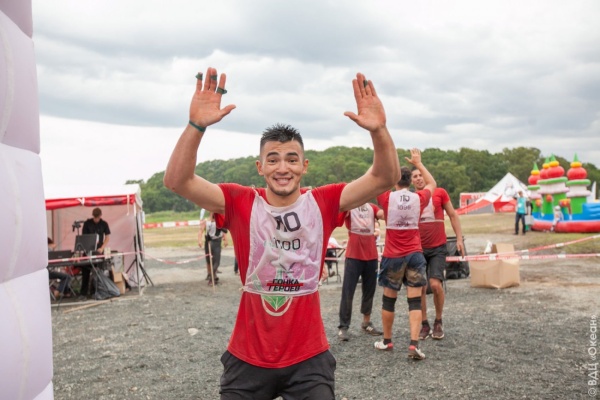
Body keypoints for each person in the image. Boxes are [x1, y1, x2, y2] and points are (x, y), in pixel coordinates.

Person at [163, 67, 399, 399]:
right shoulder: (242, 202)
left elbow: (385, 177)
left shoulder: (323, 202)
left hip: (308, 359)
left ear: (305, 165)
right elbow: (177, 181)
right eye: (272, 160)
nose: (283, 168)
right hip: (248, 357)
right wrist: (195, 126)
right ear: (260, 167)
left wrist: (379, 130)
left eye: (291, 159)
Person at [374, 149, 436, 360]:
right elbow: (432, 184)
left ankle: (387, 341)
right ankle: (413, 345)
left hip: (393, 255)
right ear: (410, 181)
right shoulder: (418, 198)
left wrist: (383, 159)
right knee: (415, 302)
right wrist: (419, 163)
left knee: (388, 300)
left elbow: (375, 180)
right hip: (414, 254)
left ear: (394, 181)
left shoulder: (386, 197)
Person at [411, 167, 464, 341]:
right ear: (411, 181)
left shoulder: (440, 192)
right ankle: (424, 324)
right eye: (415, 176)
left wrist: (459, 239)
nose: (419, 178)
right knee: (420, 287)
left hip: (438, 248)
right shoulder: (412, 198)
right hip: (418, 248)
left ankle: (438, 321)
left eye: (421, 175)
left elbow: (453, 215)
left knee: (435, 285)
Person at [337, 203, 383, 342]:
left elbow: (382, 214)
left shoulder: (372, 207)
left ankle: (366, 322)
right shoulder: (350, 206)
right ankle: (343, 326)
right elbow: (340, 211)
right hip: (353, 255)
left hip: (371, 255)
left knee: (369, 291)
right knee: (348, 291)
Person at [79, 207, 111, 298]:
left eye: (98, 217)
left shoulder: (104, 224)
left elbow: (107, 237)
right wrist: (87, 249)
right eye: (95, 217)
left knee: (97, 272)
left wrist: (102, 248)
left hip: (99, 251)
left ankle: (95, 291)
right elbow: (84, 237)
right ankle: (83, 293)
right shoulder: (87, 223)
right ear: (93, 216)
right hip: (88, 251)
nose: (96, 219)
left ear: (100, 216)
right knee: (85, 271)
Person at [198, 212, 229, 285]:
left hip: (216, 241)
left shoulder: (219, 221)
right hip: (209, 242)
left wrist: (225, 239)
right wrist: (199, 240)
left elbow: (223, 231)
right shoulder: (206, 222)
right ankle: (211, 275)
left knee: (215, 261)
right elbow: (201, 231)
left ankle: (213, 275)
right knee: (211, 260)